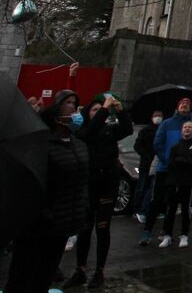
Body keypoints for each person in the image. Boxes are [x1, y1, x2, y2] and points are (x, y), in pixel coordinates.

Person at [5, 91, 89, 293]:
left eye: (76, 104)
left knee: (44, 276)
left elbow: (82, 182)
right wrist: (44, 213)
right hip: (38, 225)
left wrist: (80, 210)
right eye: (69, 104)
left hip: (64, 223)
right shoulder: (42, 143)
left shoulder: (79, 145)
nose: (75, 109)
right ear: (56, 113)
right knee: (22, 276)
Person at [65, 92, 132, 288]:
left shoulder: (109, 130)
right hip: (90, 181)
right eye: (93, 110)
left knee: (103, 226)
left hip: (108, 181)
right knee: (85, 227)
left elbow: (126, 129)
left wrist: (121, 110)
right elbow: (91, 132)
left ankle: (99, 270)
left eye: (99, 109)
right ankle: (80, 269)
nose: (98, 112)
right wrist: (103, 108)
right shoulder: (83, 132)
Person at [141, 97, 192, 246]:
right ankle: (147, 231)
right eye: (182, 103)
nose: (185, 106)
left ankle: (168, 232)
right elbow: (158, 143)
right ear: (177, 106)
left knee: (177, 203)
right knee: (157, 200)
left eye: (188, 104)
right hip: (165, 168)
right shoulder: (167, 123)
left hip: (183, 172)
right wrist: (167, 160)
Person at [160, 120, 192, 248]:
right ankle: (167, 235)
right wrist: (185, 160)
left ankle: (184, 235)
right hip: (174, 182)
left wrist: (181, 160)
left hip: (187, 182)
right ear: (181, 130)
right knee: (171, 209)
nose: (187, 129)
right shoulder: (174, 147)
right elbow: (171, 163)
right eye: (185, 127)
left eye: (190, 127)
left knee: (185, 210)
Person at [132, 110, 162, 224]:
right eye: (156, 115)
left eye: (159, 116)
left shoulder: (162, 130)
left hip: (157, 163)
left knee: (153, 188)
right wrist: (147, 155)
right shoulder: (145, 131)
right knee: (142, 186)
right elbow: (137, 146)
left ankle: (150, 210)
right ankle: (136, 209)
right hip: (146, 163)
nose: (158, 117)